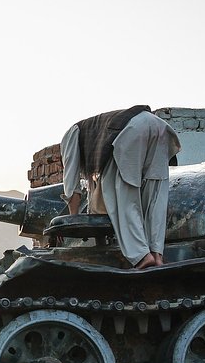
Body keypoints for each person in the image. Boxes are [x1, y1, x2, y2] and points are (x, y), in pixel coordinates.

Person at [60, 106, 181, 269]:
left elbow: (71, 186)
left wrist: (72, 221)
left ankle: (142, 256)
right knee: (155, 196)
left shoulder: (70, 134)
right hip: (158, 126)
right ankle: (157, 255)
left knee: (122, 196)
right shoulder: (93, 128)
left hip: (128, 132)